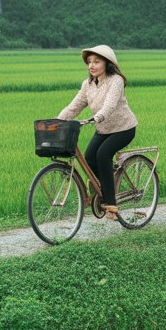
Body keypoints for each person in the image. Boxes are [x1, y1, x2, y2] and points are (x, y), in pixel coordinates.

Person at [57, 45, 138, 221]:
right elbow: (74, 106)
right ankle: (103, 189)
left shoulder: (115, 80)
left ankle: (111, 205)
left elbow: (110, 105)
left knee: (102, 155)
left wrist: (97, 117)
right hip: (103, 129)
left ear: (107, 63)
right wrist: (57, 121)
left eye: (96, 61)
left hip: (123, 128)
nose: (91, 65)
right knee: (89, 158)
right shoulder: (88, 84)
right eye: (89, 62)